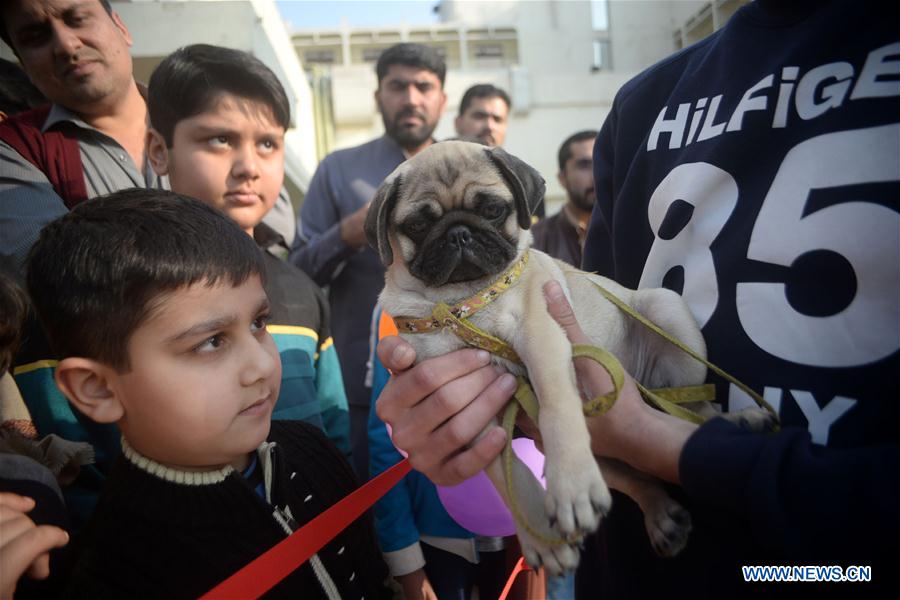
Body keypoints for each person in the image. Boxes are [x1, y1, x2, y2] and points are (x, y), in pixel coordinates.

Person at [372, 0, 900, 596]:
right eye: (426, 225)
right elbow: (597, 318)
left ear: (521, 204)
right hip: (633, 560)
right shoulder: (644, 103)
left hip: (841, 557)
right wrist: (453, 429)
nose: (462, 238)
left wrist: (673, 441)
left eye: (488, 212)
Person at [26, 189, 390, 598]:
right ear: (98, 389)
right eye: (211, 342)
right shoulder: (115, 570)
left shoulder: (312, 450)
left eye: (259, 323)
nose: (263, 366)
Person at [145, 43, 349, 456]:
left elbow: (335, 433)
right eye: (221, 139)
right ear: (159, 151)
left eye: (268, 144)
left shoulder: (300, 292)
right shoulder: (132, 288)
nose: (249, 167)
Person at [0, 0, 294, 274]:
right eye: (35, 35)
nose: (65, 45)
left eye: (77, 19)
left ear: (122, 28)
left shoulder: (210, 116)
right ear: (22, 62)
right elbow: (51, 271)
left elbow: (275, 230)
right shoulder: (15, 146)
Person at [290, 42, 447, 479]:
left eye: (424, 86)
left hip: (460, 379)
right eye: (398, 86)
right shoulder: (339, 170)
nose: (411, 98)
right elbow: (298, 272)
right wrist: (348, 232)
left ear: (442, 99)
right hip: (364, 386)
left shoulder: (466, 166)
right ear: (379, 96)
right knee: (374, 516)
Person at [531, 130, 597, 268]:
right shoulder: (535, 240)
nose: (596, 174)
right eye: (584, 166)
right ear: (562, 178)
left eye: (602, 163)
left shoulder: (630, 231)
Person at [454, 84, 511, 148]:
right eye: (479, 116)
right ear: (458, 123)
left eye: (497, 119)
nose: (489, 126)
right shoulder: (441, 156)